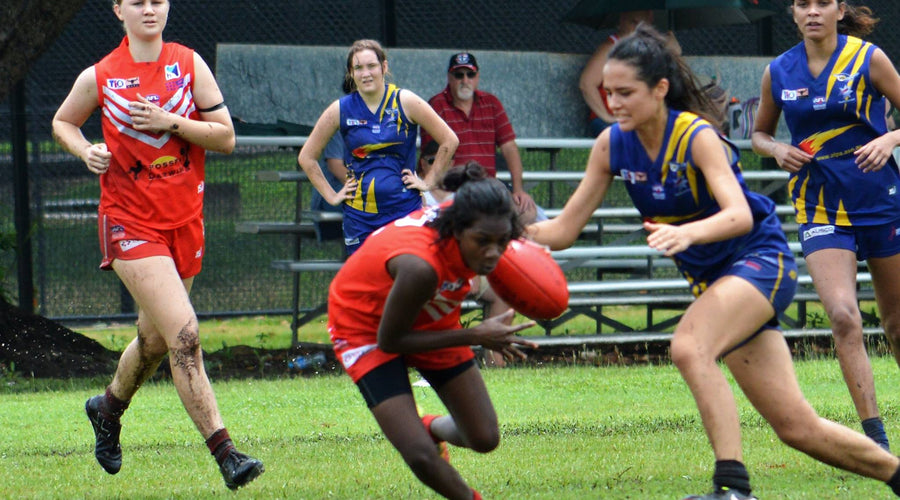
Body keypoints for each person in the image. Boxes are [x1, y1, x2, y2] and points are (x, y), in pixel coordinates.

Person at [528, 25, 900, 499]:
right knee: (797, 427)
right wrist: (510, 232)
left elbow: (739, 215)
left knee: (688, 346)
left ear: (660, 89)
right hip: (718, 284)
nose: (613, 102)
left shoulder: (696, 136)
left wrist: (687, 232)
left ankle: (732, 487)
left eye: (625, 92)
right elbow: (561, 231)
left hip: (761, 262)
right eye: (608, 91)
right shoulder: (611, 146)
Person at [50, 0, 263, 490]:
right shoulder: (99, 75)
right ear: (118, 10)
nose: (149, 9)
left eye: (157, 1)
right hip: (129, 223)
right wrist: (87, 150)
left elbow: (226, 138)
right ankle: (226, 452)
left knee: (153, 340)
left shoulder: (189, 64)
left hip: (184, 221)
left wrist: (170, 121)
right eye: (137, 2)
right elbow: (64, 121)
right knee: (184, 335)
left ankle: (107, 408)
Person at [328, 163, 538, 500]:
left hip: (427, 314)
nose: (493, 253)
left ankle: (430, 427)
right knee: (420, 456)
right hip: (364, 325)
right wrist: (474, 335)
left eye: (502, 242)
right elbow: (391, 340)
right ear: (455, 230)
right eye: (482, 242)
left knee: (484, 437)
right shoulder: (420, 266)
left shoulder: (480, 220)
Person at [752, 0, 900, 452]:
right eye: (802, 4)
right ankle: (876, 441)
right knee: (842, 316)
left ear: (839, 10)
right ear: (793, 13)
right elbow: (758, 135)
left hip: (880, 201)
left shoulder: (867, 58)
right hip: (819, 208)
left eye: (822, 3)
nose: (812, 11)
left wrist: (890, 138)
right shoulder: (778, 71)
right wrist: (776, 150)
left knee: (896, 325)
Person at [298, 39, 458, 255]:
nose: (366, 73)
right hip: (359, 217)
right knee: (366, 284)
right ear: (350, 73)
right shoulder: (340, 109)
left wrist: (428, 182)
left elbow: (449, 140)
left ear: (384, 67)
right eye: (358, 68)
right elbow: (307, 157)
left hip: (403, 211)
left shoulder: (405, 101)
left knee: (404, 280)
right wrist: (332, 196)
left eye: (371, 66)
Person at [404, 143, 515, 367]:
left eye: (444, 158)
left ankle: (496, 361)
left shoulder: (463, 196)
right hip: (434, 268)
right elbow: (426, 239)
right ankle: (431, 363)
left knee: (504, 290)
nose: (437, 163)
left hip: (466, 266)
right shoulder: (416, 191)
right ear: (421, 163)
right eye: (430, 159)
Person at [421, 52, 541, 225]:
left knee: (527, 212)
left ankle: (507, 251)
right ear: (449, 77)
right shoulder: (436, 105)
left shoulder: (491, 103)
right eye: (459, 75)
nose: (465, 80)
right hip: (453, 187)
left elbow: (509, 147)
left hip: (488, 185)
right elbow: (431, 156)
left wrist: (518, 189)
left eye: (470, 74)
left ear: (477, 77)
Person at [579, 10, 655, 136]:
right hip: (612, 120)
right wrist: (606, 117)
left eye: (643, 25)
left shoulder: (648, 49)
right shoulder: (611, 48)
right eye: (633, 23)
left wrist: (674, 54)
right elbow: (586, 84)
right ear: (621, 20)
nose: (637, 30)